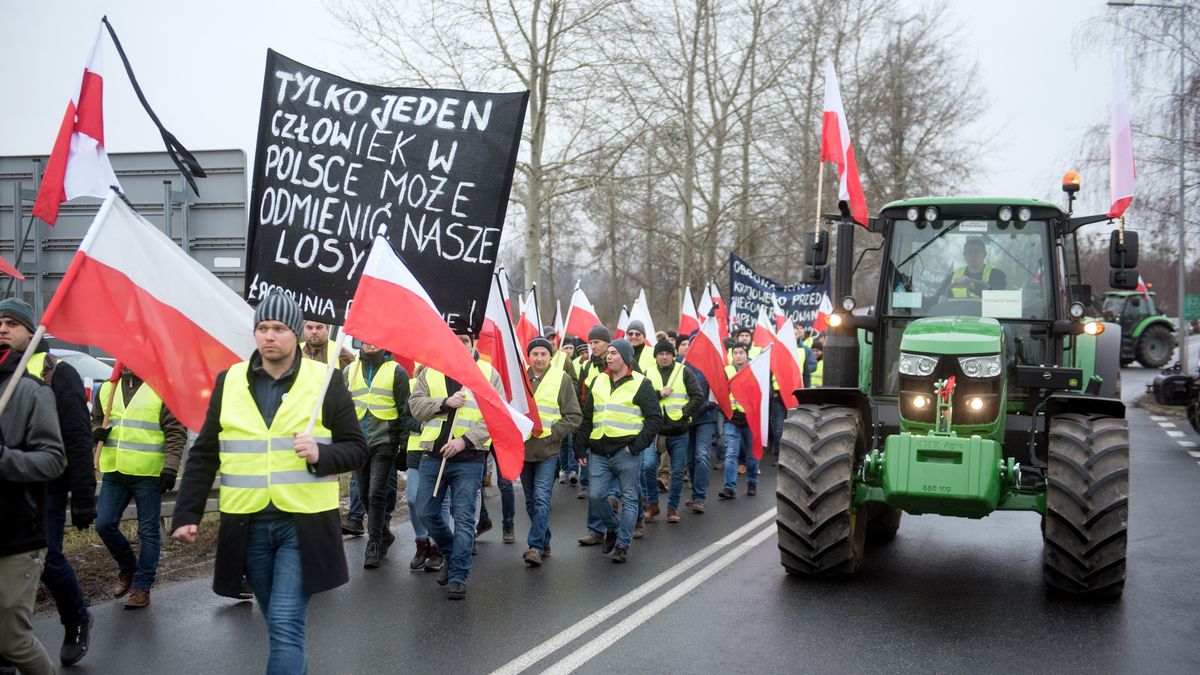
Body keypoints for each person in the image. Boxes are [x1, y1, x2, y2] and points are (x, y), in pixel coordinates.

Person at [171, 293, 368, 674]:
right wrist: (187, 512)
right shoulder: (230, 381)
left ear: (295, 333)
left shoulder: (325, 380)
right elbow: (204, 454)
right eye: (262, 328)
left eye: (278, 328)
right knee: (280, 628)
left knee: (284, 621)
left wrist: (321, 455)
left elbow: (357, 450)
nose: (269, 336)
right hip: (248, 525)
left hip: (304, 525)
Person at [0, 298, 94, 667]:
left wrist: (85, 496)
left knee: (51, 557)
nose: (3, 329)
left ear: (32, 330)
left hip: (45, 489)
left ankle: (76, 619)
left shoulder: (56, 373)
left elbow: (77, 438)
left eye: (12, 323)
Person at [408, 331, 505, 600]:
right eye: (454, 339)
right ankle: (451, 554)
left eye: (464, 340)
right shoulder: (430, 371)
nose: (459, 345)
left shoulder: (486, 373)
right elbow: (415, 406)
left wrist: (464, 441)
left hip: (469, 458)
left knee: (464, 519)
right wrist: (444, 403)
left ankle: (459, 576)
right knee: (426, 511)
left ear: (473, 342)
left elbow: (495, 415)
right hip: (434, 456)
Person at [91, 368, 187, 608]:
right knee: (103, 523)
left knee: (148, 532)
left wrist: (171, 467)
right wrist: (95, 432)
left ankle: (142, 587)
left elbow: (176, 431)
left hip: (148, 473)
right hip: (114, 470)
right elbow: (95, 419)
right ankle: (128, 567)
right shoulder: (106, 388)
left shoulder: (162, 388)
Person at [0, 341, 66, 675]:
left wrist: (3, 458)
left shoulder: (32, 391)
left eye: (11, 324)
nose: (1, 328)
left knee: (12, 642)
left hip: (17, 535)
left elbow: (54, 460)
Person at [575, 339, 662, 563]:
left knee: (630, 500)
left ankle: (623, 544)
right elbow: (588, 417)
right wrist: (580, 447)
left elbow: (654, 419)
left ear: (625, 357)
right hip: (599, 451)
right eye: (609, 353)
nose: (609, 356)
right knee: (595, 496)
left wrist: (635, 446)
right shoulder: (598, 381)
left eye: (614, 353)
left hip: (626, 452)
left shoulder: (641, 383)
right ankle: (612, 528)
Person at [344, 342, 411, 569]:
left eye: (375, 338)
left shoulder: (397, 371)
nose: (370, 343)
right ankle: (384, 533)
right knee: (363, 494)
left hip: (384, 442)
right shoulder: (349, 370)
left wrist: (403, 446)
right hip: (358, 444)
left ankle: (373, 543)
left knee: (375, 493)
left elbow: (405, 411)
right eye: (365, 338)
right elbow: (343, 408)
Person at [521, 338, 581, 566]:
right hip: (524, 449)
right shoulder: (518, 378)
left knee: (541, 498)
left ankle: (534, 547)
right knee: (529, 501)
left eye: (543, 354)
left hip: (548, 450)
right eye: (534, 354)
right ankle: (544, 541)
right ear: (529, 356)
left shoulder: (562, 379)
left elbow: (574, 416)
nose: (539, 358)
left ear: (550, 356)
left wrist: (553, 434)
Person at [643, 339, 704, 523]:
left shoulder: (683, 371)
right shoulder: (648, 373)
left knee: (677, 472)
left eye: (668, 353)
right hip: (655, 431)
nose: (664, 356)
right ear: (656, 356)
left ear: (673, 354)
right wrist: (658, 394)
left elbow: (698, 396)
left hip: (678, 431)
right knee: (647, 466)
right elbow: (640, 398)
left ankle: (672, 508)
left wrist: (684, 414)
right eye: (661, 353)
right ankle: (653, 505)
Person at [399, 365, 448, 574]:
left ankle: (439, 548)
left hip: (439, 449)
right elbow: (406, 417)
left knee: (440, 502)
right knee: (412, 499)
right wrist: (422, 426)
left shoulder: (452, 383)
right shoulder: (414, 382)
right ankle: (422, 542)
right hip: (416, 449)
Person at [677, 334, 718, 513]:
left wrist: (696, 410)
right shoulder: (680, 363)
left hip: (705, 417)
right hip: (686, 418)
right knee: (690, 458)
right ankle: (695, 491)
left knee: (702, 455)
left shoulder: (712, 364)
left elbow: (716, 396)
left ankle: (700, 497)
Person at [575, 325, 612, 499]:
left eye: (597, 342)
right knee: (588, 455)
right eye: (591, 343)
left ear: (607, 343)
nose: (593, 346)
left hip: (614, 422)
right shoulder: (588, 366)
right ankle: (587, 485)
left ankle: (613, 495)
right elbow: (579, 392)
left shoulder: (619, 363)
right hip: (591, 418)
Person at [720, 344, 759, 499]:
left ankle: (752, 483)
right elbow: (722, 394)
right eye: (735, 352)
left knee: (752, 455)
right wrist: (727, 413)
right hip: (732, 420)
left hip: (751, 420)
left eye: (741, 352)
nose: (738, 355)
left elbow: (762, 394)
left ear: (746, 354)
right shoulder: (727, 371)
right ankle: (729, 487)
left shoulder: (755, 370)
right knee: (731, 454)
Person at [939, 238, 1008, 299]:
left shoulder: (997, 275)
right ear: (964, 255)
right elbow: (938, 298)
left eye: (976, 252)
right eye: (969, 252)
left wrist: (973, 287)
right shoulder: (954, 276)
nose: (973, 255)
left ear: (984, 254)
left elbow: (997, 297)